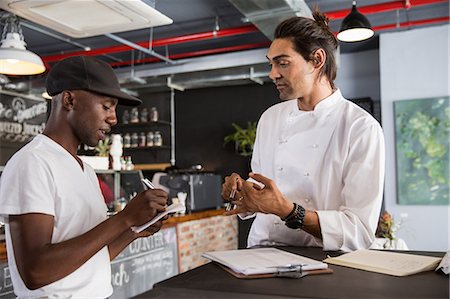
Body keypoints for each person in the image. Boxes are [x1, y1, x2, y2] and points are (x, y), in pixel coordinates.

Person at [0, 55, 168, 298]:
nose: (114, 118)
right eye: (106, 106)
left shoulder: (85, 170)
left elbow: (92, 258)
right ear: (69, 100)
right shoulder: (33, 162)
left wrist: (132, 229)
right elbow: (35, 272)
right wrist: (123, 218)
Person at [222, 10, 385, 252]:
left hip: (323, 261)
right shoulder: (271, 118)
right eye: (271, 63)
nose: (272, 73)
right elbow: (261, 188)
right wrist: (241, 192)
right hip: (260, 252)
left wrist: (289, 211)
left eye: (283, 63)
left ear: (317, 60)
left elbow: (359, 231)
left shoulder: (361, 128)